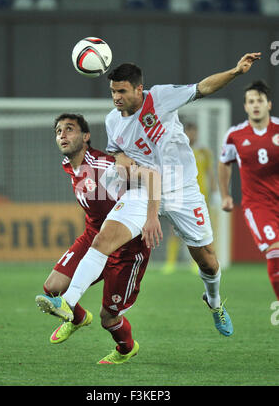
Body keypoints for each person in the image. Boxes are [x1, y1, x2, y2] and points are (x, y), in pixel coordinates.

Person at [40, 52, 260, 338]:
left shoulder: (161, 97)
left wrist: (236, 71)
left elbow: (202, 87)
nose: (116, 97)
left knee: (207, 260)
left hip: (182, 190)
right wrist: (119, 160)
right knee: (103, 239)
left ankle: (214, 302)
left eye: (121, 91)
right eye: (112, 91)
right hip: (142, 189)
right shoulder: (112, 121)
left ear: (138, 89)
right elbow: (117, 150)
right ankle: (67, 304)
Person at [35, 113, 150, 364]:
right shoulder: (69, 165)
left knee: (108, 317)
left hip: (126, 247)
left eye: (69, 129)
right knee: (52, 287)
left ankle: (126, 348)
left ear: (86, 136)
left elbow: (145, 181)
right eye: (58, 131)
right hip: (93, 236)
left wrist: (153, 214)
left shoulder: (103, 164)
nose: (62, 135)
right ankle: (77, 318)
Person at [218, 80, 279, 300]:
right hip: (259, 205)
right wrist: (225, 195)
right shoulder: (235, 135)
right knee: (275, 252)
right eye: (251, 101)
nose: (255, 105)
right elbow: (224, 162)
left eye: (260, 100)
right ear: (245, 107)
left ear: (269, 104)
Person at [162, 122, 218, 274]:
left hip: (200, 197)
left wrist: (215, 193)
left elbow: (210, 173)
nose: (192, 135)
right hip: (178, 195)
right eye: (189, 131)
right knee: (174, 230)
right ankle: (170, 263)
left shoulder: (204, 152)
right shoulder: (175, 150)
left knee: (199, 232)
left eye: (194, 132)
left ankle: (197, 264)